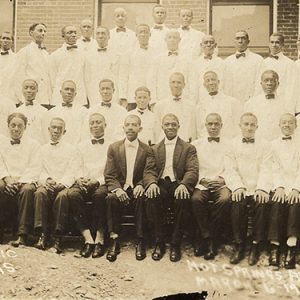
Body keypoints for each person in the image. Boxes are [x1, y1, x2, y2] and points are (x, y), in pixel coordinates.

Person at [146, 113, 199, 262]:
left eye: (173, 124)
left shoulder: (189, 148)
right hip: (161, 183)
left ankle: (175, 243)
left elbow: (192, 170)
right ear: (162, 127)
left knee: (183, 198)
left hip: (178, 182)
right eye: (167, 124)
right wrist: (151, 183)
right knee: (152, 196)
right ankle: (159, 242)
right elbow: (149, 170)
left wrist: (184, 184)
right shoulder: (154, 149)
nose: (170, 127)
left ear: (178, 127)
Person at [104, 115, 157, 262]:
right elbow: (109, 174)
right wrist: (118, 189)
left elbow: (149, 171)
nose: (130, 128)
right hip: (120, 188)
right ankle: (114, 240)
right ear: (123, 127)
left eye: (134, 125)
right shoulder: (114, 148)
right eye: (127, 125)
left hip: (136, 187)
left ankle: (140, 240)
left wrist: (141, 184)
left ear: (140, 128)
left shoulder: (147, 149)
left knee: (141, 197)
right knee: (111, 198)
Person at [225, 113, 272, 265]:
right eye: (246, 124)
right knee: (237, 204)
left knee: (262, 203)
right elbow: (230, 169)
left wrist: (262, 188)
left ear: (257, 127)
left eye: (252, 125)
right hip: (241, 186)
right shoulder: (231, 144)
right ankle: (239, 244)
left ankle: (255, 245)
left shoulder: (265, 145)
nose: (249, 127)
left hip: (258, 186)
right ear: (240, 126)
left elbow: (267, 168)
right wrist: (238, 187)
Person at [34, 117, 79, 254]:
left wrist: (62, 183)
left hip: (63, 185)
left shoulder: (71, 150)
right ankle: (42, 234)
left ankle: (57, 238)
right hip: (47, 184)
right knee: (39, 193)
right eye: (53, 127)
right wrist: (46, 180)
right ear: (48, 130)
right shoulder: (41, 149)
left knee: (62, 197)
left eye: (59, 128)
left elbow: (73, 169)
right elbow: (37, 169)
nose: (56, 131)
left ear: (64, 131)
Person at [68, 113, 109, 258]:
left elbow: (112, 169)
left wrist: (97, 181)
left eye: (99, 122)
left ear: (105, 125)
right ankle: (87, 238)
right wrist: (79, 179)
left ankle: (100, 237)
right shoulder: (81, 146)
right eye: (92, 123)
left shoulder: (111, 145)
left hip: (101, 182)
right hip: (84, 182)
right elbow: (76, 166)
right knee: (72, 194)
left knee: (100, 196)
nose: (95, 125)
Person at [191, 113, 231, 260]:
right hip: (203, 183)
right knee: (196, 200)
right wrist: (202, 180)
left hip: (221, 183)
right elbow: (193, 167)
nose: (213, 127)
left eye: (216, 124)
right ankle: (208, 238)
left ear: (221, 125)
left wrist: (222, 179)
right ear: (205, 125)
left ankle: (208, 238)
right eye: (210, 124)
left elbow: (232, 166)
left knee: (225, 199)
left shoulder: (229, 144)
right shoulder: (196, 144)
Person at [0, 113, 41, 247]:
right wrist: (7, 179)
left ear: (25, 127)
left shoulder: (33, 145)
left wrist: (20, 181)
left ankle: (22, 235)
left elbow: (35, 166)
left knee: (28, 190)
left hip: (24, 180)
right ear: (8, 126)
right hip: (6, 179)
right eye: (13, 125)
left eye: (19, 126)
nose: (16, 129)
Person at [268, 113, 300, 269]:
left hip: (296, 185)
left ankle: (291, 247)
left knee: (295, 204)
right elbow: (272, 167)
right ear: (279, 125)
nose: (287, 125)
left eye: (290, 122)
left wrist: (296, 189)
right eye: (284, 122)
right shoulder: (272, 144)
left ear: (296, 126)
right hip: (279, 185)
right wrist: (279, 186)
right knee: (276, 203)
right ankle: (274, 246)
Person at [245, 70, 294, 141]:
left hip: (279, 143)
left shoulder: (286, 104)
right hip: (259, 143)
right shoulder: (251, 103)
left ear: (278, 83)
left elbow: (290, 127)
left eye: (272, 81)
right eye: (266, 80)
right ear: (261, 83)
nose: (269, 83)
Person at [12, 23, 52, 106]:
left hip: (45, 98)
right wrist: (22, 98)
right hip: (30, 98)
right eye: (40, 30)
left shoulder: (45, 53)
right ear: (31, 33)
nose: (43, 33)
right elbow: (17, 76)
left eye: (45, 31)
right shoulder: (24, 51)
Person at [149, 30, 190, 105]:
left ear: (179, 40)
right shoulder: (157, 59)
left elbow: (191, 81)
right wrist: (153, 101)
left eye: (175, 37)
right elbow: (152, 81)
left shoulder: (187, 59)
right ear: (165, 40)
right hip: (162, 99)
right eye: (169, 37)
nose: (172, 40)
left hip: (182, 99)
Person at [256, 33, 298, 106]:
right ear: (269, 44)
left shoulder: (289, 64)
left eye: (277, 42)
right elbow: (259, 84)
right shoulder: (263, 63)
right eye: (272, 42)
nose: (274, 45)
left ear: (282, 45)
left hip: (283, 103)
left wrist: (289, 105)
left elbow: (292, 87)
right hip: (265, 102)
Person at [196, 71, 240, 139]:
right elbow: (200, 129)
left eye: (213, 80)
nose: (211, 83)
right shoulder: (200, 105)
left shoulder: (232, 102)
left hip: (227, 143)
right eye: (208, 81)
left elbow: (237, 127)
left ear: (218, 82)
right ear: (204, 85)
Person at [119, 24, 154, 109]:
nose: (143, 34)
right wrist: (123, 96)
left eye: (145, 32)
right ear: (136, 35)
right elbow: (123, 75)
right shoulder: (128, 53)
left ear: (150, 34)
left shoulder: (156, 53)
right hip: (132, 96)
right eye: (140, 32)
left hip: (151, 98)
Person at [154, 72, 196, 142]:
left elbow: (194, 129)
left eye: (179, 82)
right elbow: (157, 130)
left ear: (184, 85)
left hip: (186, 143)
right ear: (169, 84)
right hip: (167, 143)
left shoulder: (192, 106)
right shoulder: (160, 105)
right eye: (173, 82)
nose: (176, 85)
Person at [50, 25, 87, 106]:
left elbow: (86, 76)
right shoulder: (55, 55)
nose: (73, 35)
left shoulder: (83, 54)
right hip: (60, 97)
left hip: (79, 97)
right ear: (63, 35)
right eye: (69, 33)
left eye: (75, 33)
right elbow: (52, 78)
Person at [223, 30, 263, 104]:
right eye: (237, 38)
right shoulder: (227, 61)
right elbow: (226, 85)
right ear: (234, 41)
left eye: (243, 38)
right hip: (233, 102)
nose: (240, 41)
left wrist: (254, 101)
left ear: (248, 41)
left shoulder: (258, 60)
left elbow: (259, 83)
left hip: (252, 101)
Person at [84, 26, 120, 107]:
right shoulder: (88, 55)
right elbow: (87, 78)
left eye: (103, 33)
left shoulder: (116, 54)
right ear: (95, 37)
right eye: (98, 34)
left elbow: (119, 76)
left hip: (113, 93)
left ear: (109, 36)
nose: (100, 36)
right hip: (94, 93)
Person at [189, 34, 225, 104]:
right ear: (201, 45)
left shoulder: (221, 63)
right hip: (201, 100)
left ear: (215, 45)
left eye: (211, 42)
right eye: (206, 42)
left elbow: (225, 84)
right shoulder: (195, 64)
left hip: (218, 100)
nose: (208, 45)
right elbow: (193, 86)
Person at [16, 79, 48, 144]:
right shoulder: (17, 111)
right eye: (26, 88)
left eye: (32, 88)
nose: (29, 91)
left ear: (37, 90)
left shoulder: (44, 112)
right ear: (22, 90)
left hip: (39, 147)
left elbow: (46, 134)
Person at [0, 31, 16, 103]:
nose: (5, 40)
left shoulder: (16, 58)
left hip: (10, 96)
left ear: (12, 42)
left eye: (8, 38)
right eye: (3, 38)